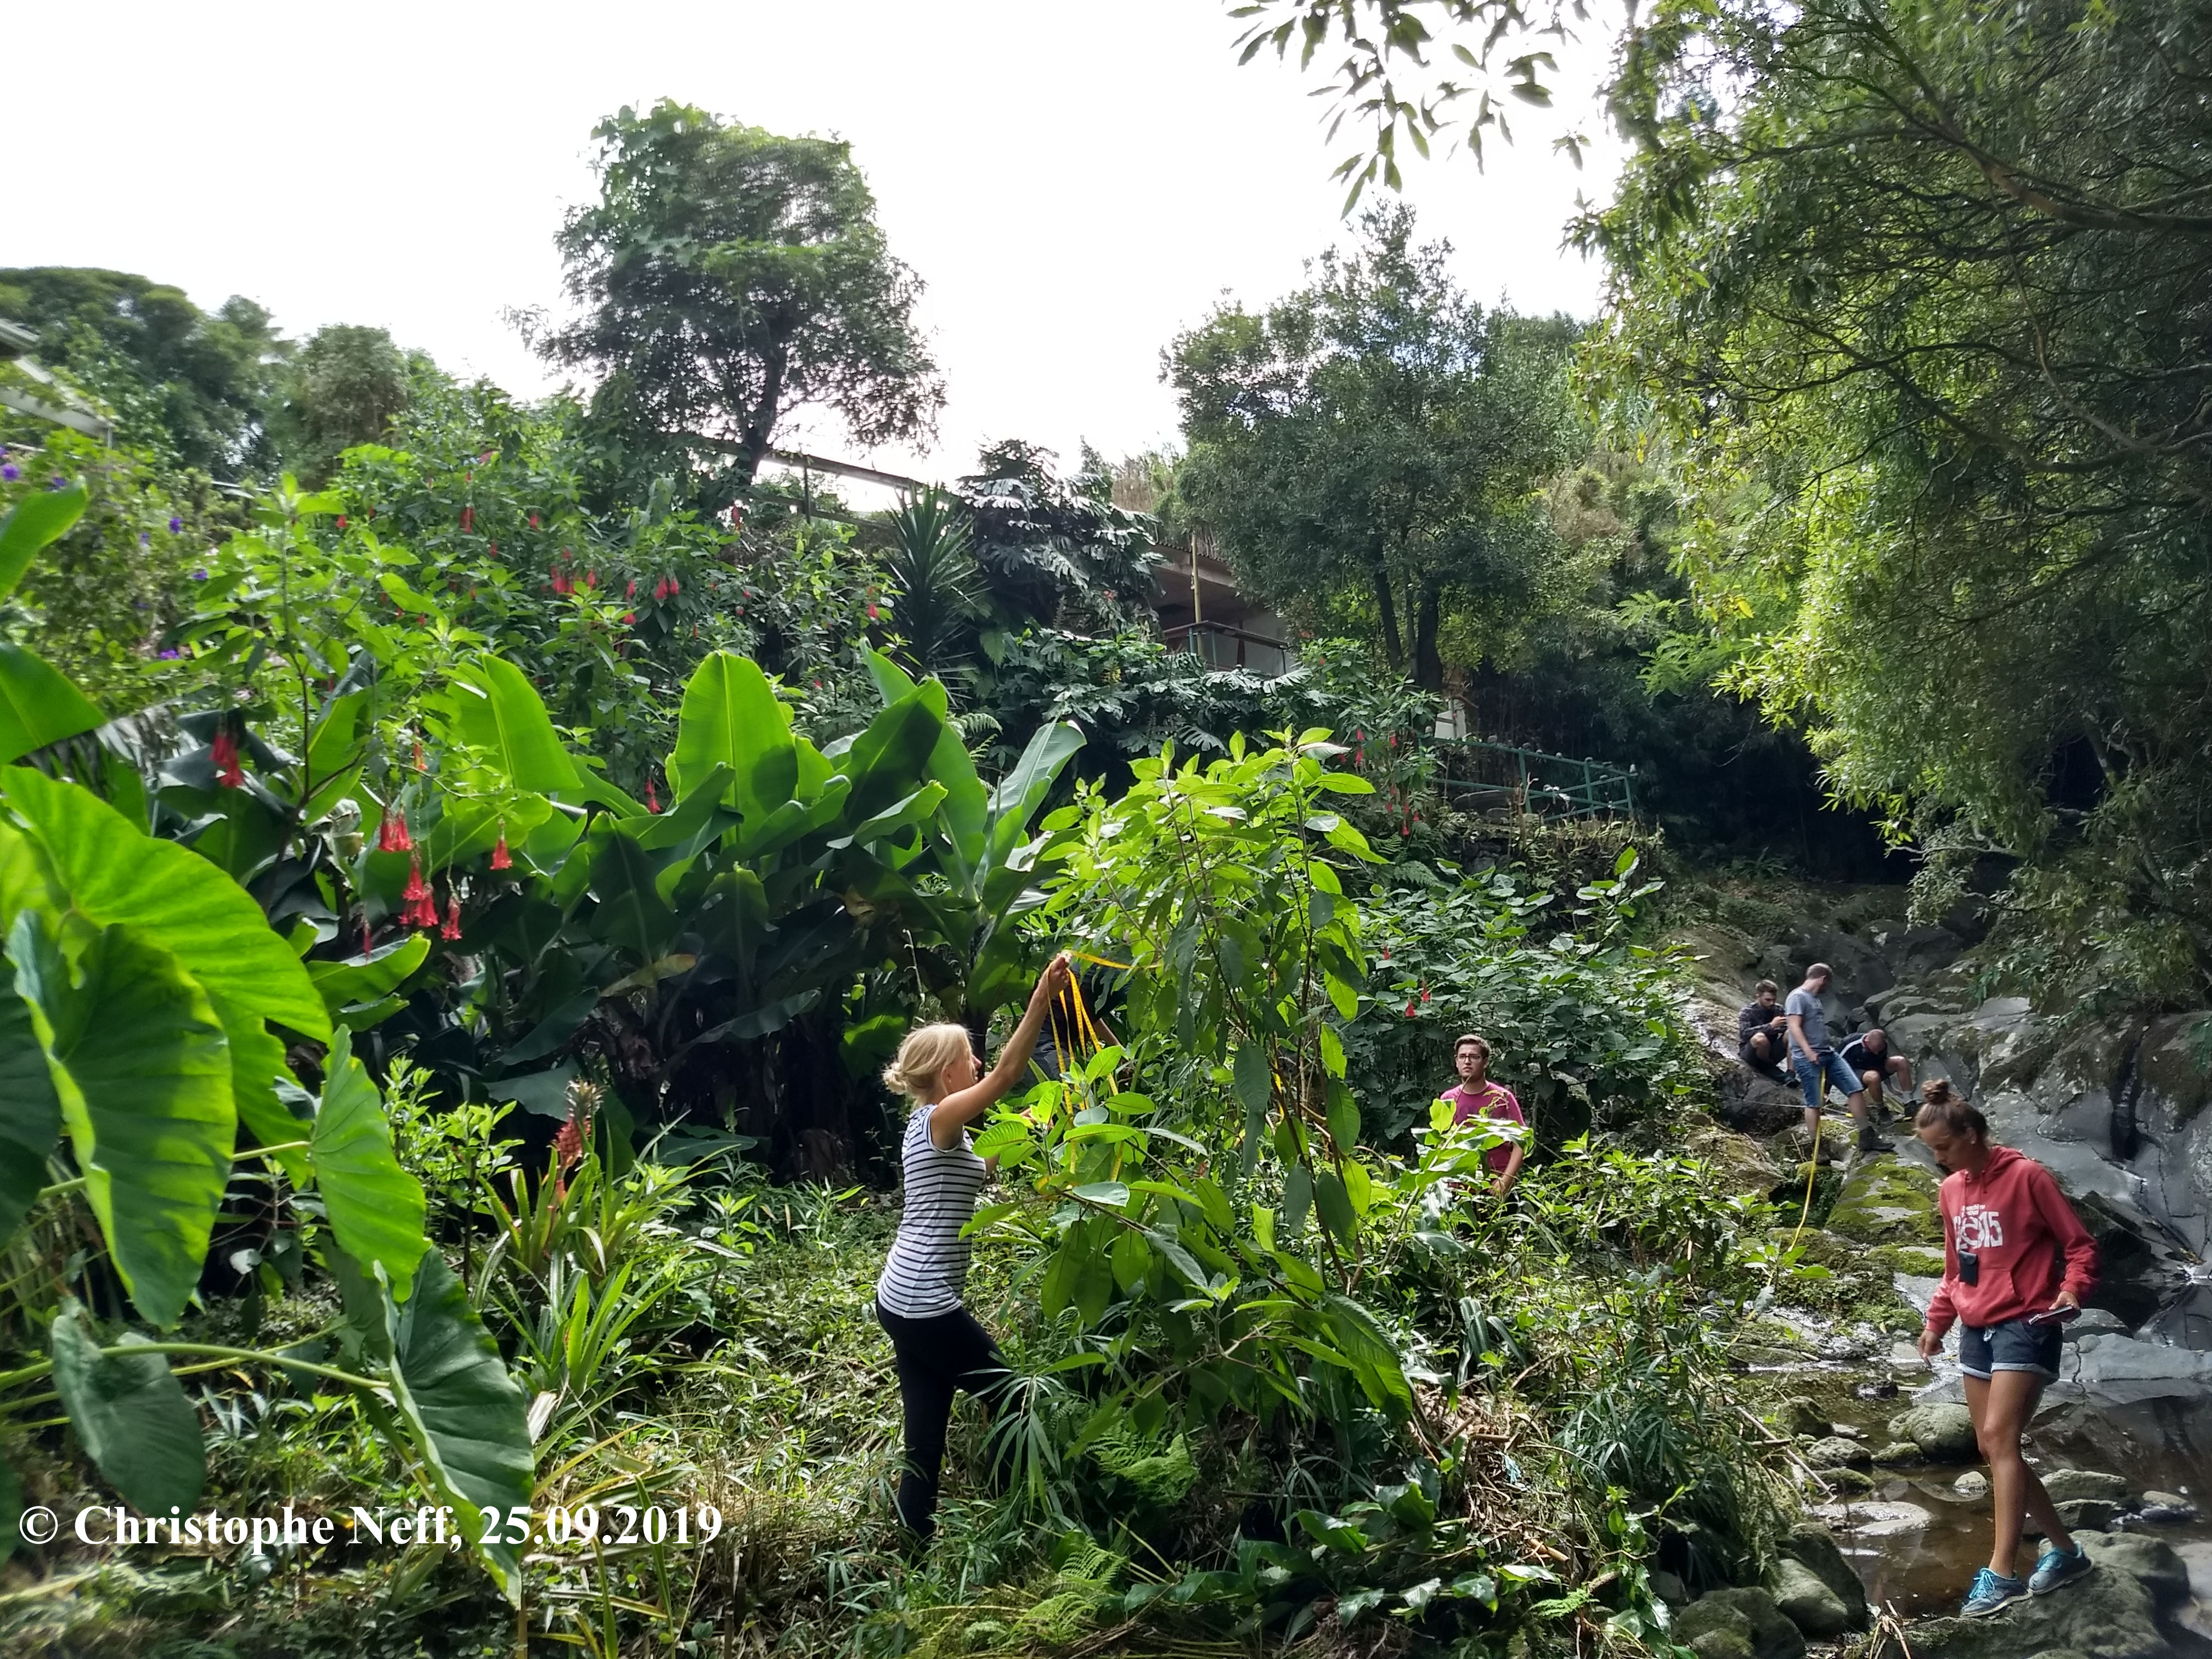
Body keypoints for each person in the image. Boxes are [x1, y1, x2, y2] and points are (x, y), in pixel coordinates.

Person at [874, 952, 1073, 1538]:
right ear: (949, 1074)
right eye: (969, 1058)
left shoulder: (934, 1131)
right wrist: (1042, 997)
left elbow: (979, 1167)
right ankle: (1017, 1526)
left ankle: (912, 1557)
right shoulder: (939, 1118)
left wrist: (1037, 1128)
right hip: (926, 1302)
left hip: (900, 1300)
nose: (978, 1062)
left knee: (925, 1441)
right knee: (1012, 1398)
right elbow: (1006, 1075)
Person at [1915, 1081, 2099, 1616]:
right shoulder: (1951, 1191)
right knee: (1996, 1449)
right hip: (1977, 1326)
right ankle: (2066, 1552)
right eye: (1933, 1152)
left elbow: (2080, 1246)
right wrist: (1937, 1322)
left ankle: (2002, 1574)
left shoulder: (2028, 1178)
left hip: (2029, 1320)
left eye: (1945, 1149)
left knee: (1999, 1437)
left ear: (1971, 1133)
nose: (1940, 1160)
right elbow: (1956, 1267)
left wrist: (2072, 1290)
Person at [1786, 962, 1890, 1159]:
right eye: (1828, 983)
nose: (1828, 987)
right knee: (1814, 1102)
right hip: (1808, 1058)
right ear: (1823, 979)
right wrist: (1808, 1052)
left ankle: (1866, 1136)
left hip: (1829, 1054)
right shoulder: (1797, 997)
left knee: (1854, 1088)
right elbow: (1794, 1027)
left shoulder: (1815, 999)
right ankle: (1817, 1149)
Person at [1436, 1034, 1526, 1198]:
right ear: (1456, 1062)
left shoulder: (1502, 1098)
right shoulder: (1447, 1100)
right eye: (1462, 1057)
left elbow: (1521, 1143)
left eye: (1474, 1057)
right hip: (1458, 1187)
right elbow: (1442, 1143)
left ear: (1485, 1062)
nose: (1467, 1061)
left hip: (1495, 1184)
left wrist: (1505, 1181)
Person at [1839, 1025, 1915, 1115]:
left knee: (1900, 1061)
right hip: (1854, 1073)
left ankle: (1908, 1102)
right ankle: (1881, 1109)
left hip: (1873, 1068)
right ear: (1867, 1042)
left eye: (1879, 1050)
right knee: (1873, 1077)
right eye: (1874, 1050)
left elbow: (1881, 1064)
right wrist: (1826, 1091)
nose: (1877, 1053)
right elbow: (1835, 1064)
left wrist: (1891, 1088)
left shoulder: (1882, 1047)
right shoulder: (1850, 1044)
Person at [1737, 979, 1791, 1082]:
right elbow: (1744, 1034)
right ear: (1758, 997)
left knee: (1792, 1034)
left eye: (1774, 1000)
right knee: (1760, 1038)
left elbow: (1787, 1027)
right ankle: (1768, 1068)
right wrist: (1771, 1026)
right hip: (1751, 1052)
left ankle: (1791, 1071)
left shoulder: (1778, 1009)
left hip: (1771, 1051)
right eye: (1768, 1000)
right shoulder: (1748, 1011)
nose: (1772, 1003)